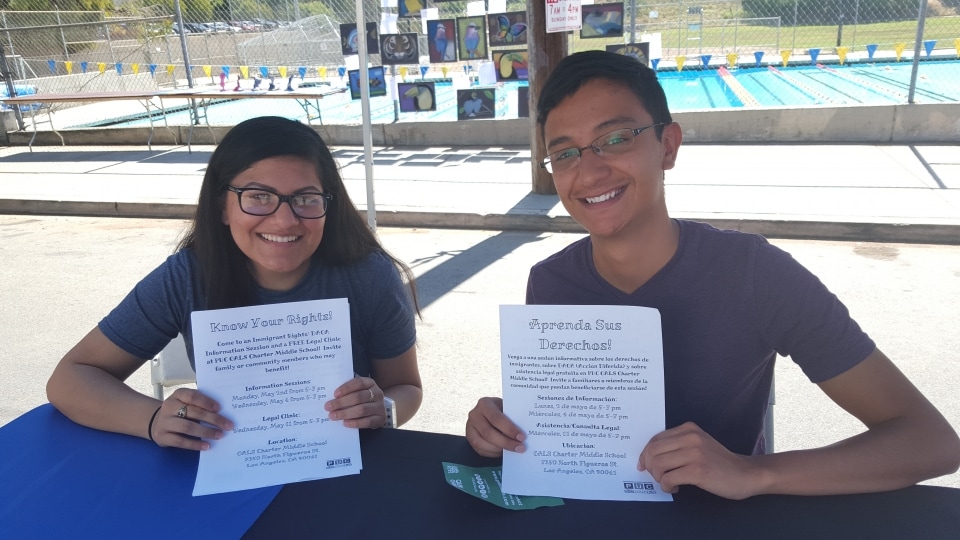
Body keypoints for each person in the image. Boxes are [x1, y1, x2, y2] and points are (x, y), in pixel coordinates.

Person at [465, 50, 960, 499]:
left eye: (614, 139)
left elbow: (931, 441)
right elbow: (577, 426)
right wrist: (509, 427)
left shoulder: (753, 273)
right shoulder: (551, 282)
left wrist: (753, 473)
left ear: (668, 146)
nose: (589, 172)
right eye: (565, 153)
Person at [47, 116, 422, 451]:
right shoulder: (188, 277)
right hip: (227, 465)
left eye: (306, 198)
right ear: (222, 207)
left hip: (343, 465)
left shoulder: (369, 275)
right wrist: (153, 418)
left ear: (328, 205)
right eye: (258, 196)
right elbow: (69, 379)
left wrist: (384, 409)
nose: (284, 221)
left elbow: (407, 388)